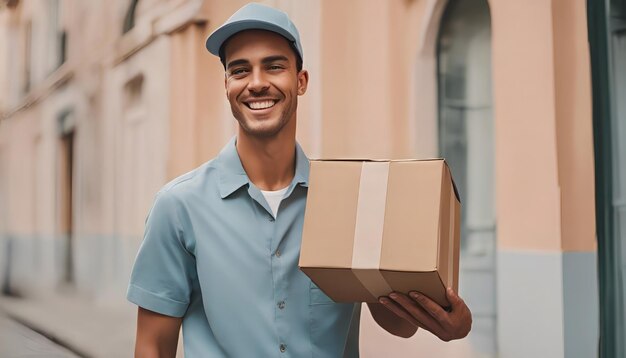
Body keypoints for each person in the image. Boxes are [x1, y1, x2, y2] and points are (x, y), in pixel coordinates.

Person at [127, 3, 472, 357]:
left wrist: (449, 321)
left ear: (301, 80)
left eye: (274, 66)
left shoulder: (347, 201)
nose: (257, 83)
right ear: (227, 85)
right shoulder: (179, 206)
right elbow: (153, 345)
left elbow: (398, 323)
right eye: (240, 70)